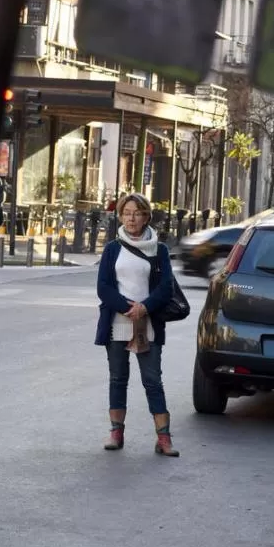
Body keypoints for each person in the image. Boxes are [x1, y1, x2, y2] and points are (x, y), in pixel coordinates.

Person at [95, 192, 178, 456]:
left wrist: (144, 307)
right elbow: (103, 287)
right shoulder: (112, 249)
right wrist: (127, 307)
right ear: (120, 216)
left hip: (148, 323)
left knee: (152, 380)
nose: (131, 218)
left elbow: (166, 288)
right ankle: (116, 432)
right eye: (126, 213)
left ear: (146, 217)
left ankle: (163, 438)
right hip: (117, 322)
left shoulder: (160, 250)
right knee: (118, 378)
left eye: (137, 213)